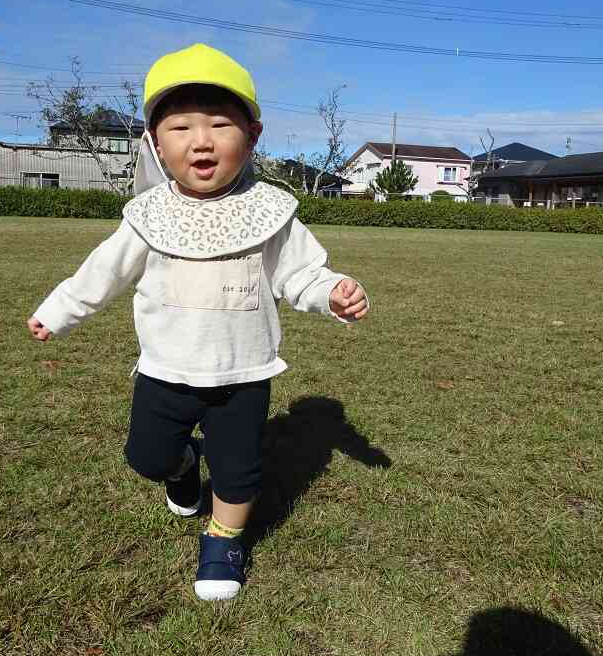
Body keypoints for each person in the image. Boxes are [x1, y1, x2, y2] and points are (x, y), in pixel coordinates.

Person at [27, 43, 370, 601]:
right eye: (181, 126)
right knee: (147, 457)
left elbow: (300, 273)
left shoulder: (270, 211)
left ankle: (223, 541)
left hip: (243, 372)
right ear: (156, 143)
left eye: (219, 124)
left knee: (237, 469)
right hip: (165, 370)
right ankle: (183, 465)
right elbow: (103, 273)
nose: (202, 140)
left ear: (252, 136)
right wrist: (59, 310)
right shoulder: (149, 216)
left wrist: (332, 292)